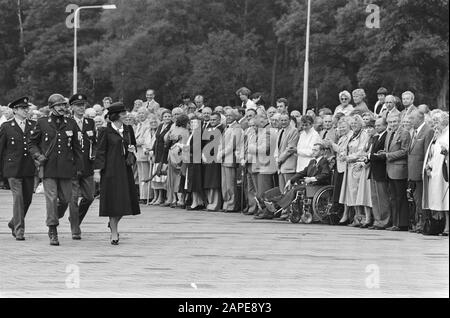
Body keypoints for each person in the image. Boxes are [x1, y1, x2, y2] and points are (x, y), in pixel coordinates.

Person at [28, 94, 83, 246]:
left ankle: (52, 218)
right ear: (52, 107)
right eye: (58, 105)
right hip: (49, 168)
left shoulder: (71, 123)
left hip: (66, 168)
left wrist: (79, 167)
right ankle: (53, 229)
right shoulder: (43, 122)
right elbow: (32, 143)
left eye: (63, 105)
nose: (62, 108)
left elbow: (77, 148)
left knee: (66, 200)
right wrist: (38, 156)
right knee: (51, 199)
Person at [94, 102, 140, 245]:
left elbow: (133, 145)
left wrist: (132, 150)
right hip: (110, 170)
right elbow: (100, 152)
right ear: (116, 115)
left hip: (125, 169)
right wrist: (97, 171)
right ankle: (114, 232)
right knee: (113, 202)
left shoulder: (128, 129)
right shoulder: (105, 131)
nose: (126, 116)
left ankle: (113, 223)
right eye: (123, 113)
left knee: (125, 201)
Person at [57, 94, 97, 240]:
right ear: (72, 107)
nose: (81, 107)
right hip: (72, 166)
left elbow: (94, 143)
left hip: (87, 165)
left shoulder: (90, 122)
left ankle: (75, 219)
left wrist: (95, 157)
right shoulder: (66, 122)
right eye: (78, 105)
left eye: (83, 105)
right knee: (73, 199)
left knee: (89, 197)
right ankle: (75, 229)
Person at [0, 97, 36, 241]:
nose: (26, 110)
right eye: (23, 108)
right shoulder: (6, 126)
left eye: (27, 108)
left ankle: (13, 222)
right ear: (15, 110)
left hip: (28, 167)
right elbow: (1, 150)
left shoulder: (34, 125)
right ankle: (19, 229)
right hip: (13, 168)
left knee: (27, 199)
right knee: (18, 198)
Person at [338, 115, 370, 226]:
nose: (353, 126)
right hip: (350, 167)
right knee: (352, 193)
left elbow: (361, 151)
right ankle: (356, 217)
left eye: (356, 124)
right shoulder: (352, 135)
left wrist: (348, 158)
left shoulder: (364, 134)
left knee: (357, 193)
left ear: (361, 124)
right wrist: (343, 155)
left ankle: (361, 218)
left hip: (358, 166)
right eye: (352, 124)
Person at [407, 110, 434, 233]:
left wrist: (423, 171)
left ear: (420, 118)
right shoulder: (415, 131)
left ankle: (422, 224)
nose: (410, 121)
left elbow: (427, 153)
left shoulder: (427, 131)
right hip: (412, 172)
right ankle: (418, 222)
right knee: (417, 199)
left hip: (420, 172)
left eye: (412, 119)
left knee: (421, 199)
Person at [423, 111, 449, 236]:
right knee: (438, 199)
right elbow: (434, 154)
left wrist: (446, 152)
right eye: (434, 122)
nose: (435, 125)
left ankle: (447, 226)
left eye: (437, 122)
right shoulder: (438, 134)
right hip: (435, 172)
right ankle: (440, 225)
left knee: (447, 200)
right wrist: (429, 165)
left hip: (445, 172)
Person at [383, 113, 411, 231]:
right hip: (390, 169)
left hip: (400, 169)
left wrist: (388, 155)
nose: (393, 124)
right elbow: (387, 149)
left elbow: (405, 151)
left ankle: (402, 224)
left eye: (395, 122)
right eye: (390, 122)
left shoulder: (404, 133)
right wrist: (383, 153)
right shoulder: (389, 133)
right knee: (393, 197)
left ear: (399, 121)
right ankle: (395, 222)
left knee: (400, 197)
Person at [325, 117, 353, 220]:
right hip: (339, 166)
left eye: (343, 127)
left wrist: (332, 143)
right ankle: (341, 214)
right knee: (339, 192)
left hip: (346, 166)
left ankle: (346, 215)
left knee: (344, 192)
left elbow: (342, 151)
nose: (341, 129)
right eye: (339, 127)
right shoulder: (342, 137)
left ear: (349, 127)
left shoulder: (350, 136)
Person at [274, 113, 299, 220]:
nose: (283, 122)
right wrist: (276, 159)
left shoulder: (293, 131)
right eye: (282, 120)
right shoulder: (280, 131)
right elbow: (277, 148)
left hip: (288, 164)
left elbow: (290, 148)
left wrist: (280, 159)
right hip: (280, 165)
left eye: (285, 120)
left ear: (289, 120)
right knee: (282, 190)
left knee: (289, 190)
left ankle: (289, 212)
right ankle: (284, 211)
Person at [253, 113, 278, 219]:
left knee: (264, 190)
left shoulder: (267, 131)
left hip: (266, 165)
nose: (254, 121)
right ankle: (263, 209)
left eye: (255, 119)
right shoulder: (265, 130)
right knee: (261, 190)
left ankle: (267, 211)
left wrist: (251, 148)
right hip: (263, 164)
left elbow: (265, 149)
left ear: (262, 120)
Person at [367, 117, 391, 230]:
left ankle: (384, 220)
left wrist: (369, 156)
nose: (376, 127)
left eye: (379, 125)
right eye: (375, 125)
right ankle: (377, 220)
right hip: (373, 170)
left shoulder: (387, 136)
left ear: (385, 126)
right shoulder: (376, 137)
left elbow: (382, 155)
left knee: (382, 198)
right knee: (375, 197)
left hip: (381, 171)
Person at [218, 109, 243, 212]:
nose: (228, 117)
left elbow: (232, 145)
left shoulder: (237, 128)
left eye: (230, 116)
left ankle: (232, 204)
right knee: (224, 184)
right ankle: (226, 203)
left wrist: (221, 153)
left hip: (230, 158)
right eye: (226, 115)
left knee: (230, 184)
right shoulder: (226, 127)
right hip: (224, 158)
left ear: (235, 117)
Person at [165, 114, 190, 208]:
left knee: (172, 179)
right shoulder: (185, 132)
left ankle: (173, 199)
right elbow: (186, 145)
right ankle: (181, 199)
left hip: (171, 155)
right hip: (180, 156)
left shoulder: (173, 130)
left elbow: (166, 139)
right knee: (180, 179)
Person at [149, 110, 173, 205]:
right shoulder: (160, 126)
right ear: (162, 118)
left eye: (168, 116)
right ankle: (156, 196)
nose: (167, 118)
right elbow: (157, 139)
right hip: (157, 152)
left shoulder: (171, 126)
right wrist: (152, 150)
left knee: (162, 176)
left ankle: (161, 197)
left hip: (165, 153)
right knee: (156, 177)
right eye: (165, 116)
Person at [202, 112, 224, 211]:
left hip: (216, 158)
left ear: (219, 120)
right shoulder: (208, 129)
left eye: (214, 119)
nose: (212, 121)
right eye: (211, 119)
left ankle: (216, 203)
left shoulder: (222, 129)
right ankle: (209, 202)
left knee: (215, 182)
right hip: (207, 158)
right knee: (208, 181)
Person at [135, 108, 151, 204]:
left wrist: (133, 142)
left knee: (145, 175)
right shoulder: (139, 125)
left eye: (142, 113)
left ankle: (146, 196)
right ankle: (142, 195)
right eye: (139, 113)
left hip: (144, 153)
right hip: (138, 153)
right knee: (141, 175)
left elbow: (144, 140)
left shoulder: (147, 125)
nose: (141, 115)